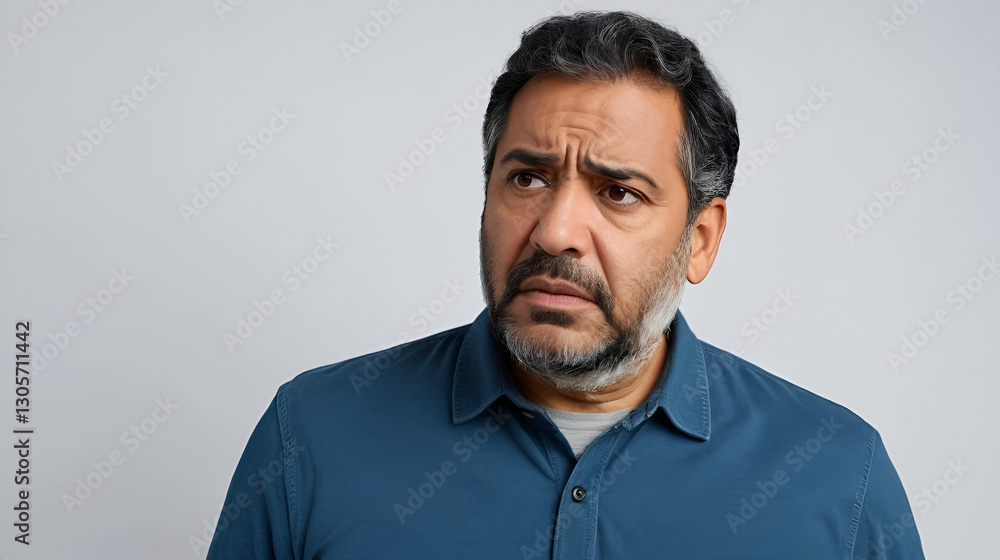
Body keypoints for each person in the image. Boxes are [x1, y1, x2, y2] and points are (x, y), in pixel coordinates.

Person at [207, 11, 924, 559]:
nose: (554, 232)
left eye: (618, 192)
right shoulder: (312, 437)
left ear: (700, 239)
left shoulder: (837, 474)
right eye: (528, 178)